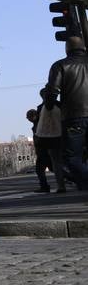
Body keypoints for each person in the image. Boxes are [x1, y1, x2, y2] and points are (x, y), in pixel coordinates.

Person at [44, 35, 88, 191]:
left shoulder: (60, 66)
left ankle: (84, 183)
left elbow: (52, 90)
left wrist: (49, 105)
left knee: (72, 157)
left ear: (67, 49)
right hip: (75, 115)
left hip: (74, 116)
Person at [32, 87, 65, 193]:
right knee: (59, 162)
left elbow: (39, 126)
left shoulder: (41, 108)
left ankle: (62, 185)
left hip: (47, 139)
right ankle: (66, 183)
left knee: (54, 163)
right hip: (61, 136)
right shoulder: (61, 105)